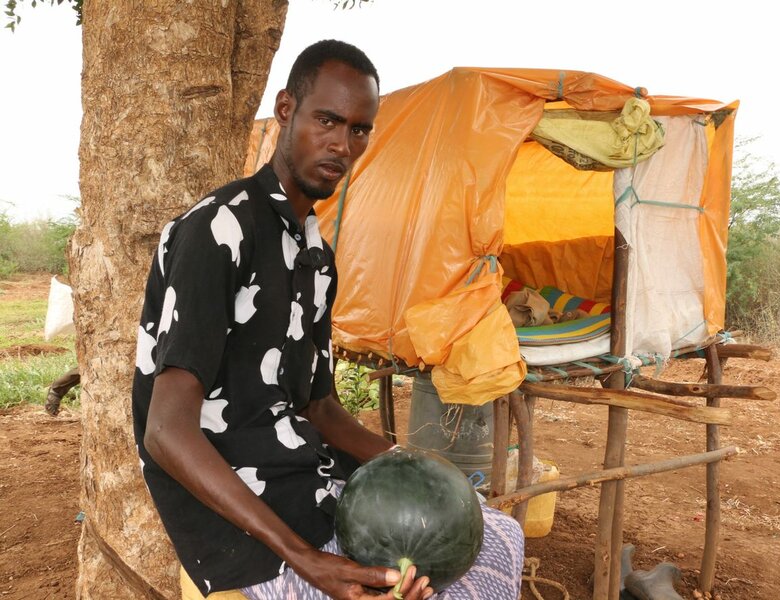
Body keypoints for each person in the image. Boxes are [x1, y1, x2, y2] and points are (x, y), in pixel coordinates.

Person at [132, 40, 523, 600]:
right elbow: (166, 432)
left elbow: (319, 407)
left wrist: (419, 469)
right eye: (329, 120)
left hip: (309, 485)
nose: (344, 145)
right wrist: (308, 560)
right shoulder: (217, 231)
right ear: (287, 109)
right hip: (241, 520)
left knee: (494, 534)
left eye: (360, 129)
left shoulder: (315, 255)